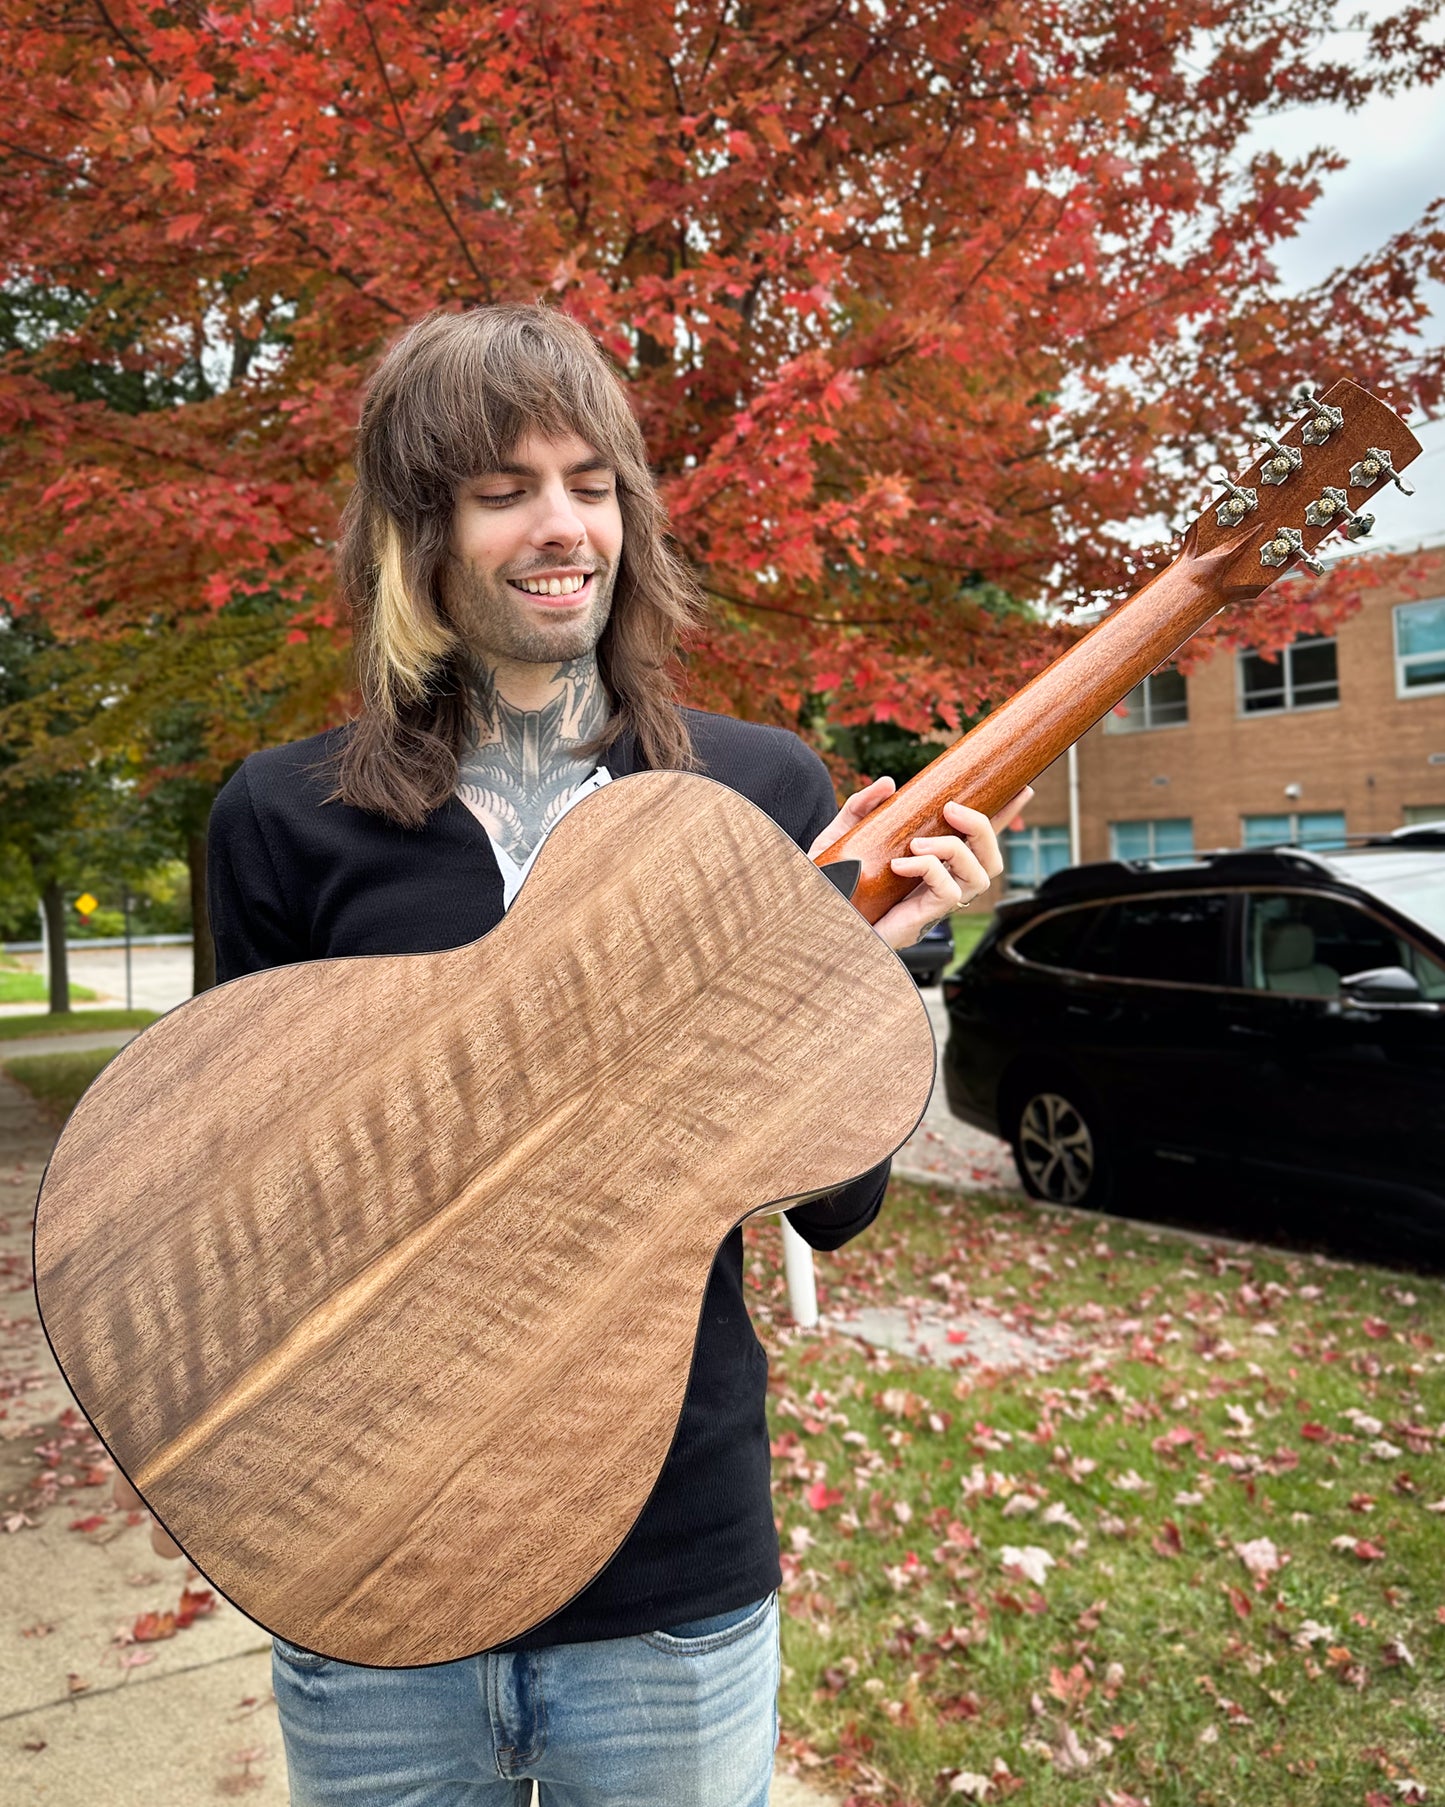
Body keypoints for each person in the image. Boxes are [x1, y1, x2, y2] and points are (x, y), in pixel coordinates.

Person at [115, 304, 1029, 1806]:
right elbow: (230, 1207)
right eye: (503, 490)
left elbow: (830, 1209)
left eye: (591, 483)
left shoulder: (754, 789)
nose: (563, 529)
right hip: (370, 1579)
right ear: (416, 534)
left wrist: (865, 975)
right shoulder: (282, 817)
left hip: (669, 1586)